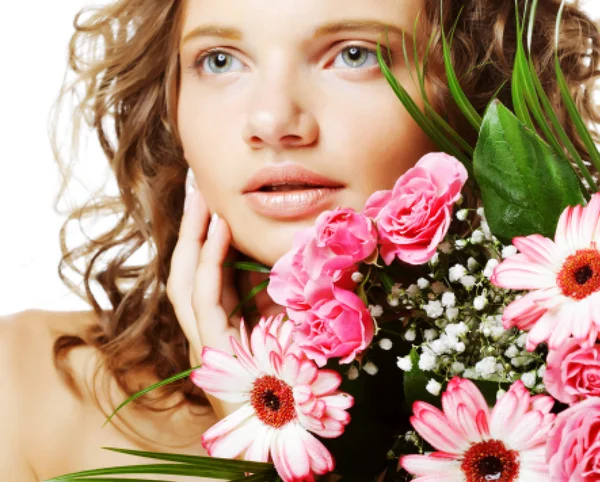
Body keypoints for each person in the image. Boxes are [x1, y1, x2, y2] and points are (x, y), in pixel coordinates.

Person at [2, 0, 599, 480]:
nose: (272, 121)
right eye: (219, 60)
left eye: (355, 54)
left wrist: (259, 446)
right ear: (169, 106)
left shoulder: (569, 417)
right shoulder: (30, 385)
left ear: (476, 88)